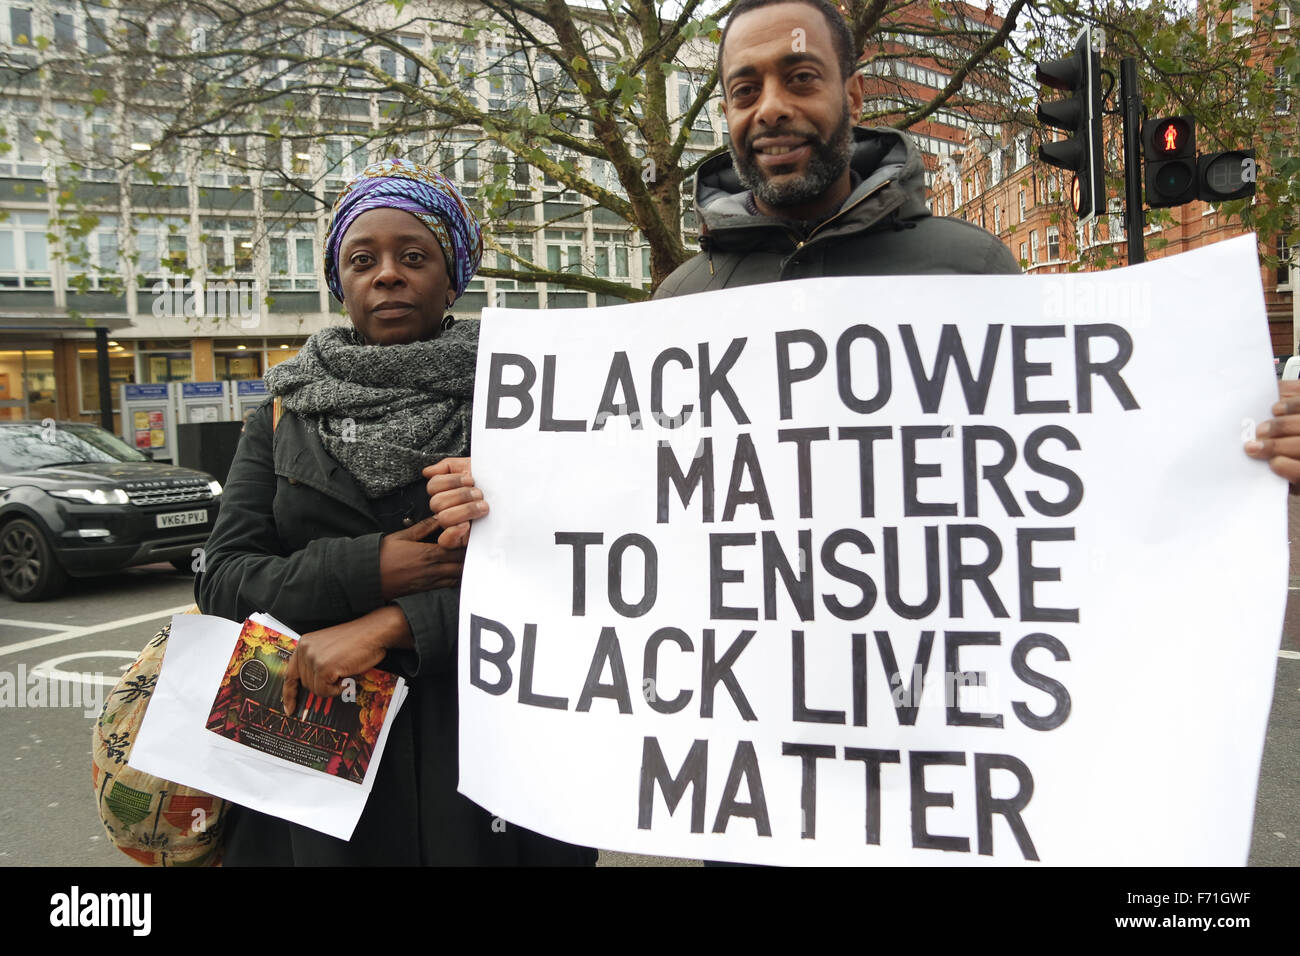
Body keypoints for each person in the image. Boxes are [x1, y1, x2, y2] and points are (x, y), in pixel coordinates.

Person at [196, 158, 596, 866]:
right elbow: (224, 580)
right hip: (314, 757)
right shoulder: (282, 416)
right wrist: (372, 568)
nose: (387, 274)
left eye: (413, 257)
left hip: (487, 756)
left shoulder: (525, 406)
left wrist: (395, 625)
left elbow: (577, 579)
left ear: (452, 278)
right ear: (338, 282)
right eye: (362, 259)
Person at [654, 0, 1020, 302]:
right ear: (727, 114)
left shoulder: (974, 268)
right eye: (746, 90)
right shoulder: (680, 300)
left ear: (853, 97)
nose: (769, 109)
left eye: (801, 78)